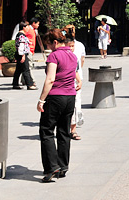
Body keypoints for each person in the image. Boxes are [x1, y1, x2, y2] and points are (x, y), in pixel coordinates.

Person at [37, 29, 81, 182]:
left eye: (49, 44)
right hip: (70, 98)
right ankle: (63, 166)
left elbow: (50, 79)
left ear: (55, 42)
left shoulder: (54, 55)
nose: (49, 48)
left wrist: (41, 99)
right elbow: (73, 73)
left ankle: (51, 167)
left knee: (47, 131)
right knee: (64, 132)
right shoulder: (72, 55)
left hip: (55, 97)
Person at [65, 25, 85, 140]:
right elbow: (82, 61)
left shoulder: (77, 46)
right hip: (66, 82)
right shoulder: (63, 49)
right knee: (72, 105)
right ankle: (69, 130)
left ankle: (73, 129)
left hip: (74, 81)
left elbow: (78, 66)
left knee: (75, 105)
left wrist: (78, 79)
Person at [12, 21, 37, 90]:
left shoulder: (19, 35)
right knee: (26, 69)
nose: (28, 28)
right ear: (23, 27)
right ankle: (29, 85)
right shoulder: (22, 36)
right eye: (27, 27)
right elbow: (21, 46)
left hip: (19, 54)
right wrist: (23, 55)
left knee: (18, 70)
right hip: (22, 54)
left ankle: (15, 84)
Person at [23, 17, 40, 87]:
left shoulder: (33, 30)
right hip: (28, 49)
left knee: (25, 66)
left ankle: (24, 80)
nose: (38, 26)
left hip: (31, 49)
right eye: (38, 24)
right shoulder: (28, 29)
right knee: (29, 66)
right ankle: (31, 80)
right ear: (34, 23)